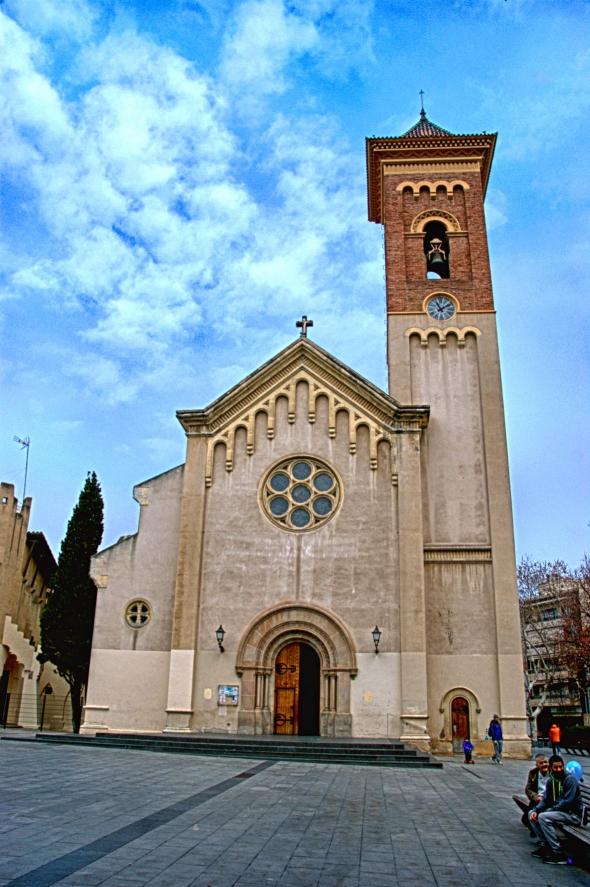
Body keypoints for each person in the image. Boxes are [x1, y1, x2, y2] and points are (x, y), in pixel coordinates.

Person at [529, 754, 583, 864]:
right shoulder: (551, 781)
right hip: (560, 812)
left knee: (543, 817)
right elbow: (545, 800)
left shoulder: (570, 780)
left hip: (572, 815)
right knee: (532, 814)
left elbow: (567, 802)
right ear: (551, 768)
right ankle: (545, 845)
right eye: (555, 767)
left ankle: (557, 852)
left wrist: (550, 810)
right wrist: (536, 810)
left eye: (560, 767)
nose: (558, 769)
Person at [521, 754, 550, 830]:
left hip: (549, 799)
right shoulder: (533, 773)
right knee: (527, 818)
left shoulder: (552, 772)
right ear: (537, 765)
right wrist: (536, 797)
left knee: (537, 814)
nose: (544, 764)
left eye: (545, 762)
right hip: (537, 799)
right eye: (541, 763)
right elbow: (528, 789)